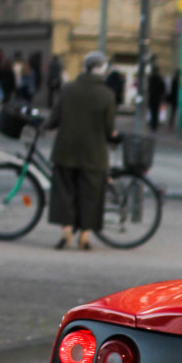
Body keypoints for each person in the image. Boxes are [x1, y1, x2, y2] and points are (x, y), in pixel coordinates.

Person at [45, 51, 119, 251]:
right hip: (93, 154)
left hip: (65, 150)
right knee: (90, 195)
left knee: (64, 191)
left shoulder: (68, 89)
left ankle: (66, 230)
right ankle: (84, 236)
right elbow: (107, 129)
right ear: (102, 70)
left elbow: (54, 119)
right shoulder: (107, 95)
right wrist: (113, 134)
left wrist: (42, 126)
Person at [147, 64, 166, 132]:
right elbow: (163, 89)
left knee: (152, 112)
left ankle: (153, 124)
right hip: (157, 98)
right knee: (155, 112)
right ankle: (154, 124)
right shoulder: (159, 79)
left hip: (152, 97)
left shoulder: (151, 79)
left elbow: (148, 88)